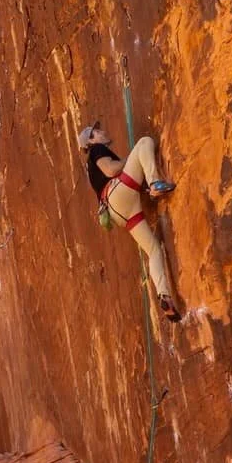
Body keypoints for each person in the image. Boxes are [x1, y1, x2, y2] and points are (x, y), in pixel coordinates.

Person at [79, 122, 182, 322]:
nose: (102, 131)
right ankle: (155, 183)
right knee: (144, 143)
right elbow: (110, 170)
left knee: (153, 249)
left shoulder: (91, 165)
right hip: (118, 192)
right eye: (97, 131)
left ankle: (164, 295)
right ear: (91, 139)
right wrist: (129, 161)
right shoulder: (96, 150)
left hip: (118, 212)